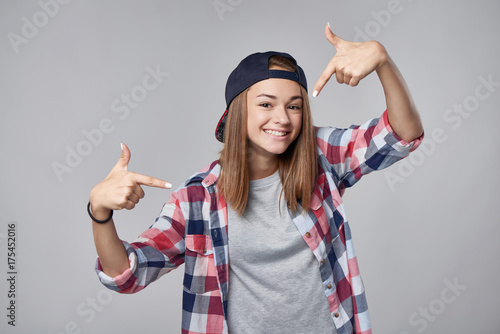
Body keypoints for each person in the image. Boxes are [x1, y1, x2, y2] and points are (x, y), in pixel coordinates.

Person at [88, 23, 423, 334]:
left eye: (294, 106)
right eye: (266, 103)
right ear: (236, 113)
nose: (282, 118)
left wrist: (382, 60)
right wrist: (99, 213)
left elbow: (401, 135)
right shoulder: (198, 199)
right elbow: (127, 274)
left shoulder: (320, 157)